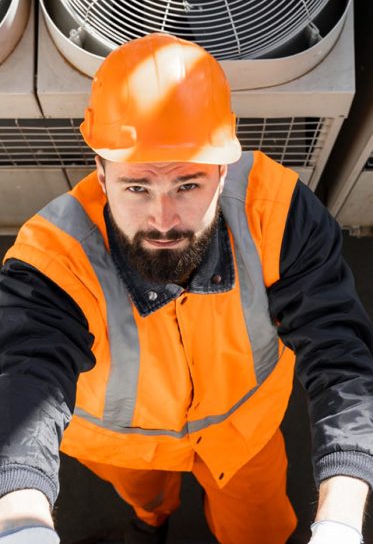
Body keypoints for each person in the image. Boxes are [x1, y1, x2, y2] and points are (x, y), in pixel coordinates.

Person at [0, 32, 372, 544]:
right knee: (146, 500)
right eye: (137, 187)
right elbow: (22, 379)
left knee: (261, 530)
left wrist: (341, 522)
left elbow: (343, 360)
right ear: (101, 176)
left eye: (188, 184)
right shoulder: (51, 260)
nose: (163, 219)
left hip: (244, 436)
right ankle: (150, 524)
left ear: (223, 170)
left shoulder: (280, 215)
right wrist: (20, 523)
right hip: (125, 446)